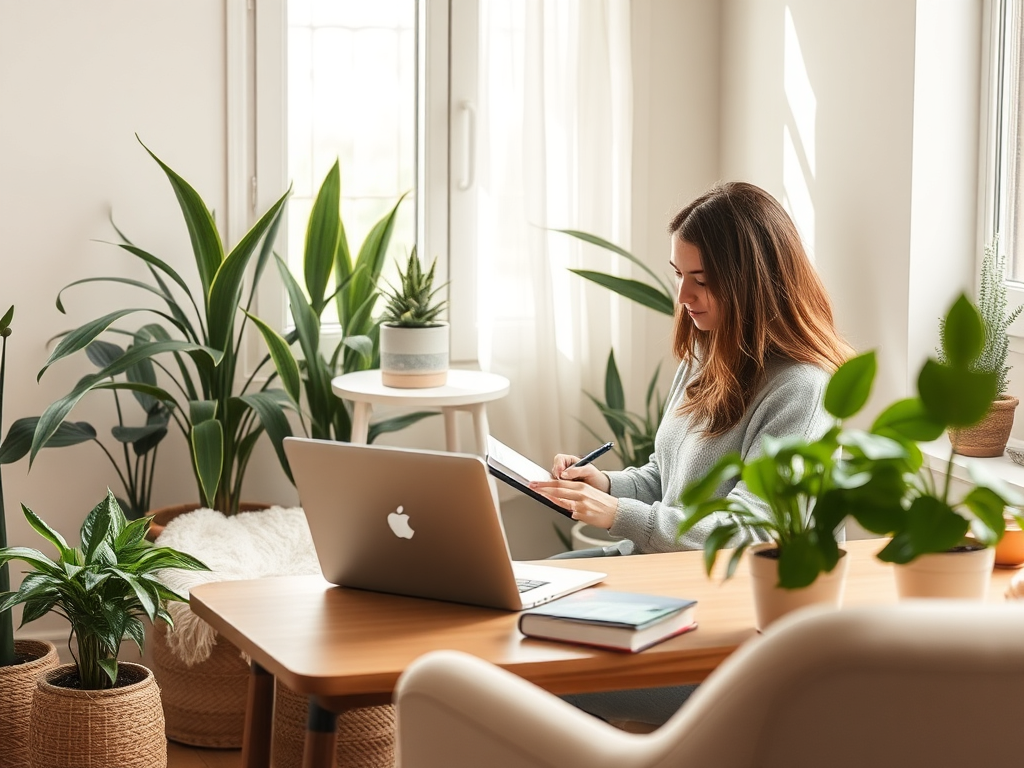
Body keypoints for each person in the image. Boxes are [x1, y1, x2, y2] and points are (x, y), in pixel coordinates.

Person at [529, 181, 852, 726]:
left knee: (534, 671)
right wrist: (604, 485)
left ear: (755, 284)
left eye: (701, 281)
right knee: (521, 598)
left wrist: (620, 516)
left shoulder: (801, 389)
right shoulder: (708, 351)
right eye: (679, 275)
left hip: (726, 623)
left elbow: (751, 531)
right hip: (664, 581)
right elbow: (665, 478)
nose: (682, 296)